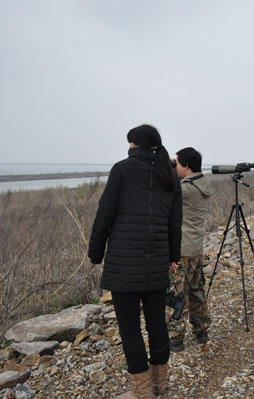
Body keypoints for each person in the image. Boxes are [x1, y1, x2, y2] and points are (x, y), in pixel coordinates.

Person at [88, 124, 182, 398]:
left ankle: (142, 391)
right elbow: (175, 223)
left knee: (130, 330)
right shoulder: (169, 175)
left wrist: (96, 253)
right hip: (156, 263)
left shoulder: (122, 169)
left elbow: (104, 214)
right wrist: (173, 257)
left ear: (133, 144)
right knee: (156, 325)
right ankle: (159, 385)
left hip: (123, 265)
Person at [167, 147, 214, 352]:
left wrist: (164, 165)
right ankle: (201, 330)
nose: (175, 166)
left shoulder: (184, 190)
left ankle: (175, 338)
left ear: (186, 166)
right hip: (196, 248)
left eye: (177, 163)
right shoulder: (203, 184)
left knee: (177, 294)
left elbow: (166, 189)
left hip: (182, 249)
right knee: (196, 291)